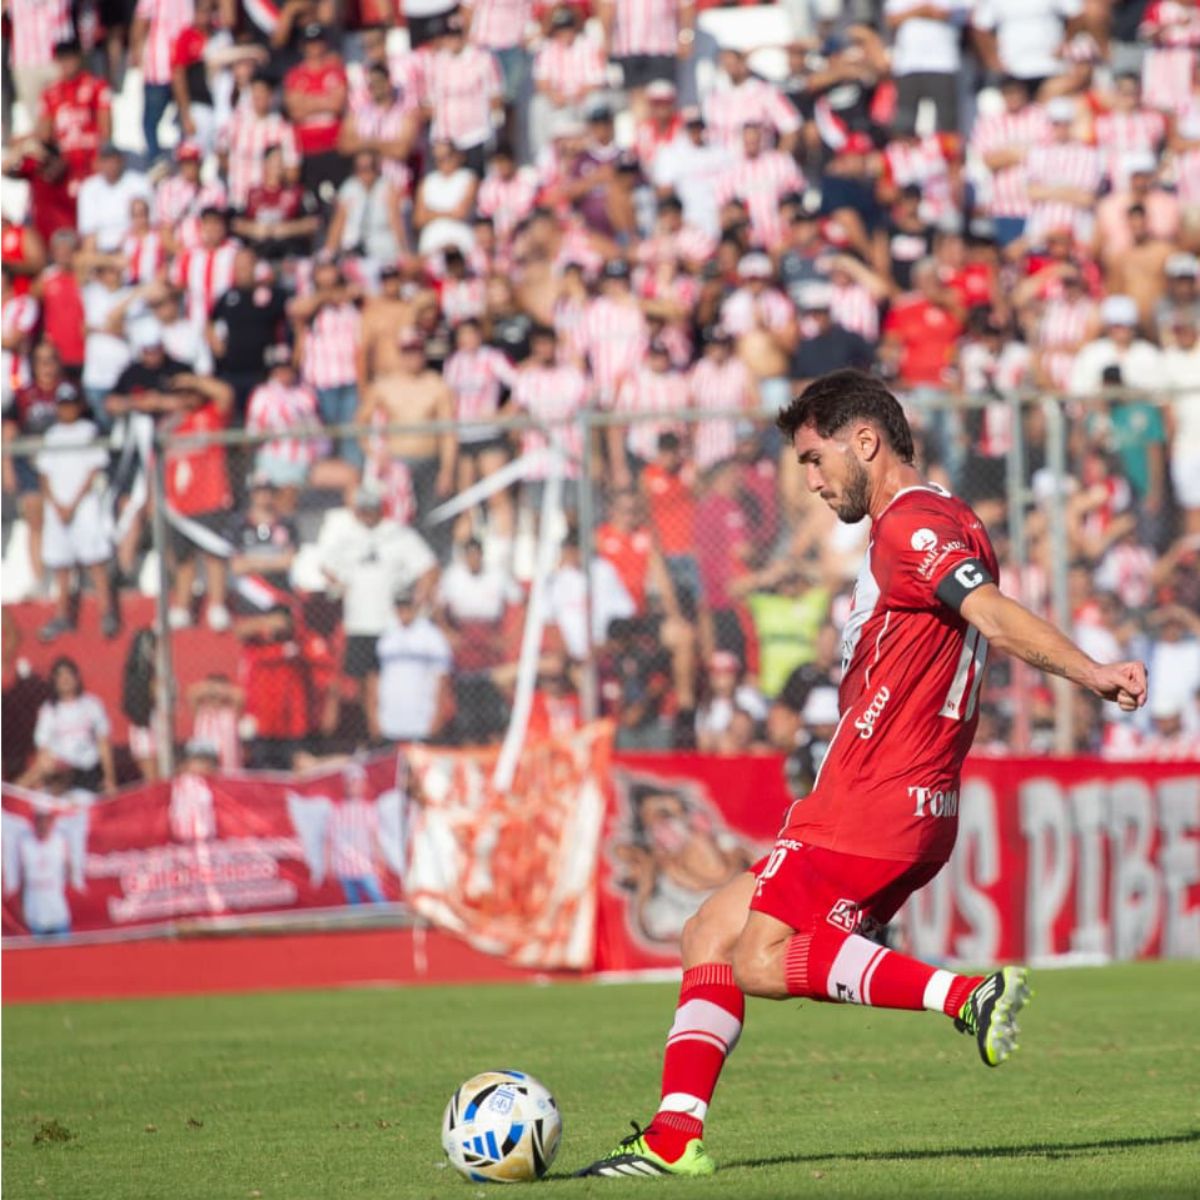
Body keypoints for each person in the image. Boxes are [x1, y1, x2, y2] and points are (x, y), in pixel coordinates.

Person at [577, 368, 1148, 1178]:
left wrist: (1091, 672)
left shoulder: (911, 528)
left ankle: (965, 998)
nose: (810, 482)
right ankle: (675, 1138)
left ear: (866, 441)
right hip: (888, 795)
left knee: (756, 961)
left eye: (815, 460)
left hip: (873, 797)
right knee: (709, 930)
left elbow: (987, 611)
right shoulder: (939, 520)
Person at [21, 656, 116, 794]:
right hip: (59, 771)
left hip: (86, 768)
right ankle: (13, 794)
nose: (65, 679)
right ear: (54, 682)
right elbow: (42, 748)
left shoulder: (92, 704)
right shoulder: (49, 710)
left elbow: (104, 743)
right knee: (46, 763)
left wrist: (110, 778)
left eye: (68, 674)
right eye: (60, 676)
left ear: (76, 678)